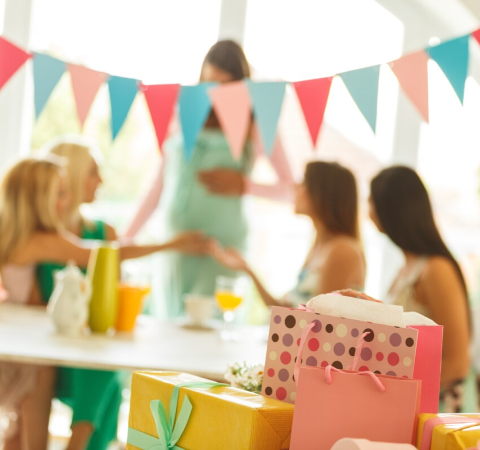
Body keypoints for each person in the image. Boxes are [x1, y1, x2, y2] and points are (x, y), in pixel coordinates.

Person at [0, 157, 211, 450]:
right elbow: (104, 253)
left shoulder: (12, 234)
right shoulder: (41, 240)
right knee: (32, 438)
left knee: (14, 436)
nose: (66, 201)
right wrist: (169, 244)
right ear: (39, 200)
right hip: (23, 359)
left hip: (17, 344)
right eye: (59, 194)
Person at [124, 39, 294, 318]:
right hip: (176, 246)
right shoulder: (184, 114)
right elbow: (159, 186)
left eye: (226, 86)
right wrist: (125, 240)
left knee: (212, 333)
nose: (215, 93)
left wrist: (245, 186)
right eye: (209, 83)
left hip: (223, 253)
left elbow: (291, 190)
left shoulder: (258, 122)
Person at [338, 166, 473, 413]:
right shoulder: (407, 268)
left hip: (438, 404)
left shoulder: (436, 269)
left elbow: (457, 363)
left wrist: (396, 397)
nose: (367, 208)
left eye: (372, 200)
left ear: (392, 209)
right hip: (408, 395)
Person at [213, 161, 365, 307]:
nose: (295, 187)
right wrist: (247, 269)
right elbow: (283, 308)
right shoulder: (320, 246)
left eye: (304, 182)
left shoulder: (342, 250)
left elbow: (322, 321)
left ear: (323, 194)